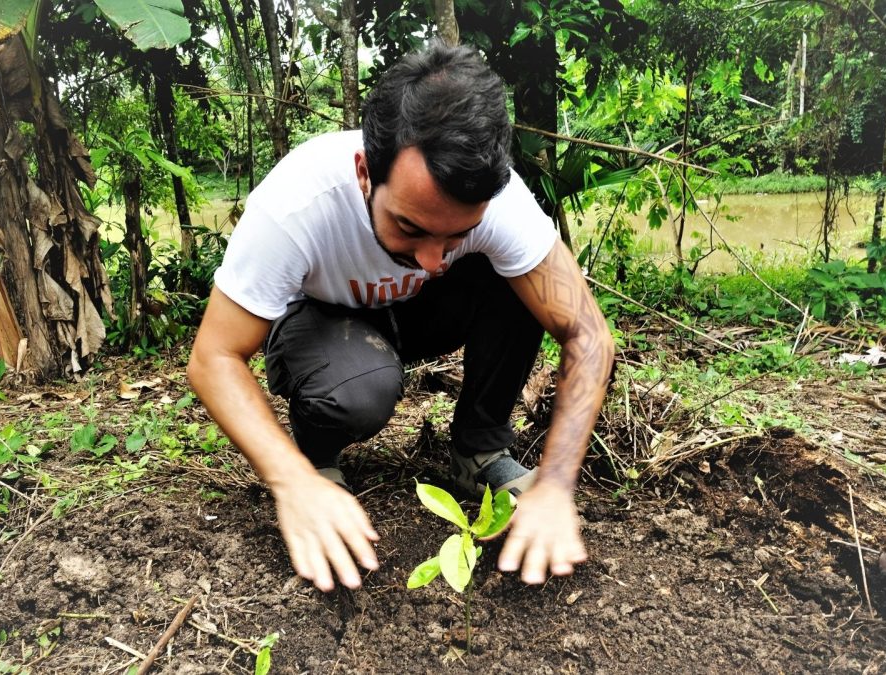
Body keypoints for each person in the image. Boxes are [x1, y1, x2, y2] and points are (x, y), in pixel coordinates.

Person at [187, 43, 614, 593]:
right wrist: (289, 480)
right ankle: (316, 458)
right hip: (326, 318)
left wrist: (556, 484)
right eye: (410, 227)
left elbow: (587, 333)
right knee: (362, 388)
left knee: (521, 279)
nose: (435, 259)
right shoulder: (298, 202)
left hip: (416, 316)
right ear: (366, 172)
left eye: (456, 234)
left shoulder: (499, 201)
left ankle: (478, 449)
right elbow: (214, 356)